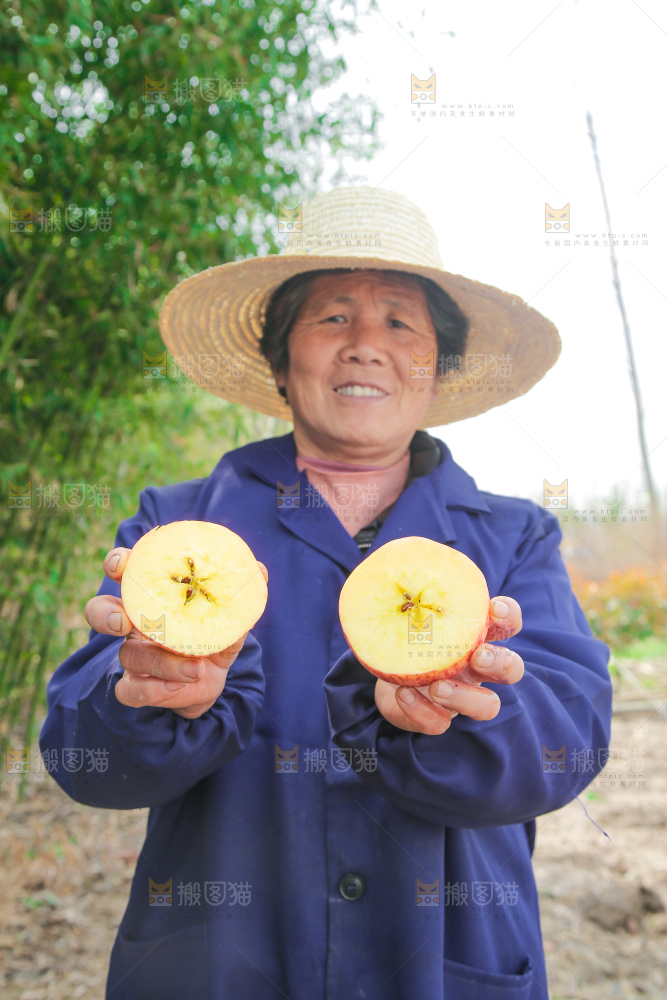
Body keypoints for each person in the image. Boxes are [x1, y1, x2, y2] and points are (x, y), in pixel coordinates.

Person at [40, 186, 613, 1000]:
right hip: (218, 968)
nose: (365, 346)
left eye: (400, 323)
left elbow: (569, 742)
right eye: (334, 317)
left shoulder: (515, 536)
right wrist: (146, 697)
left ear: (437, 367)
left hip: (447, 965)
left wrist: (462, 708)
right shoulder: (176, 529)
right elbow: (80, 758)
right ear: (280, 361)